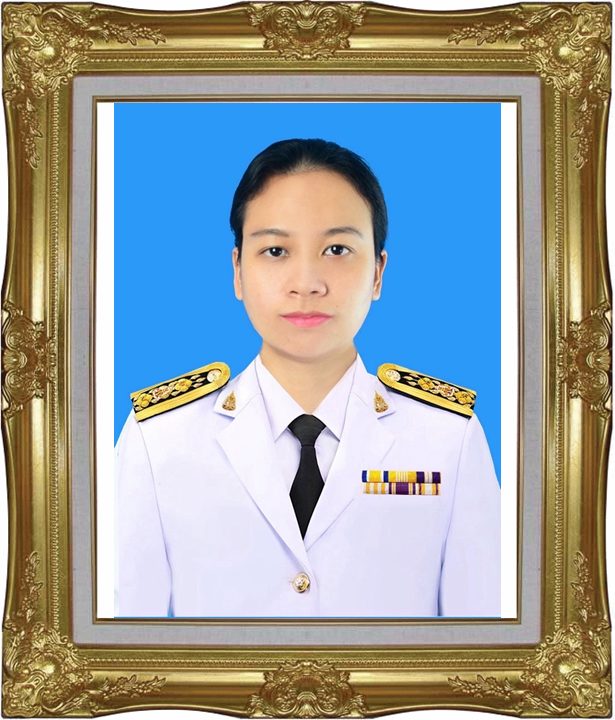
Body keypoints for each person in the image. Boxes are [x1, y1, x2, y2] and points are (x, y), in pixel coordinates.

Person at [115, 138, 500, 618]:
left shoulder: (447, 438)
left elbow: (485, 643)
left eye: (337, 249)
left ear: (378, 272)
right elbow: (120, 646)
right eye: (275, 250)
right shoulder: (159, 440)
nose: (306, 283)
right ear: (237, 271)